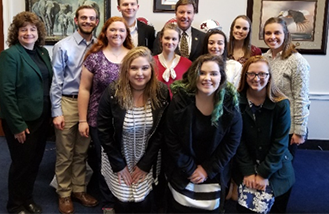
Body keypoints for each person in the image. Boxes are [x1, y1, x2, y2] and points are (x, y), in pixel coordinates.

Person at [164, 54, 242, 214]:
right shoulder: (180, 100)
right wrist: (190, 168)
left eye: (213, 73)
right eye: (202, 72)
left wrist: (207, 169)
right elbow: (171, 138)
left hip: (214, 172)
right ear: (194, 75)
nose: (207, 78)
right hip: (182, 170)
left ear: (221, 77)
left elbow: (231, 144)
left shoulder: (229, 104)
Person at [97, 47, 170, 214]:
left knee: (142, 202)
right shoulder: (113, 92)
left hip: (147, 156)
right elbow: (104, 131)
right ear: (126, 70)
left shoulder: (161, 92)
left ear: (151, 69)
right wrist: (119, 165)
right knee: (123, 202)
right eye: (134, 68)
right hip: (118, 155)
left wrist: (145, 165)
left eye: (145, 68)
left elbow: (161, 133)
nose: (140, 73)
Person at [0, 11, 53, 214]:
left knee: (34, 162)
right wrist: (17, 125)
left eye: (32, 29)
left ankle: (27, 199)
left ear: (38, 32)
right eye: (23, 29)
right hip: (21, 120)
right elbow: (5, 93)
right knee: (21, 164)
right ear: (16, 33)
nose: (28, 33)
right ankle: (15, 205)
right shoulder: (10, 55)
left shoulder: (43, 53)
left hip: (41, 118)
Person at [78, 16, 134, 213]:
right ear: (105, 33)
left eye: (121, 30)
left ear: (127, 34)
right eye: (113, 30)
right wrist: (83, 120)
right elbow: (84, 89)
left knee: (127, 159)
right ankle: (108, 202)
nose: (117, 34)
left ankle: (126, 197)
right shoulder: (94, 57)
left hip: (130, 119)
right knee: (106, 161)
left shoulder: (133, 57)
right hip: (98, 119)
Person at [50, 5, 99, 214]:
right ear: (76, 20)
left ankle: (79, 189)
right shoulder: (63, 46)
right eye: (84, 18)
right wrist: (56, 112)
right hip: (68, 102)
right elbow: (56, 81)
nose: (88, 21)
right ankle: (64, 193)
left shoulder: (100, 46)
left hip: (89, 104)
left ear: (97, 22)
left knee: (81, 152)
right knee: (65, 152)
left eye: (92, 18)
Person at [234, 56, 295, 214]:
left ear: (269, 77)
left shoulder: (281, 104)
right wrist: (248, 171)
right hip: (245, 165)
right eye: (251, 74)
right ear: (245, 76)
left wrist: (263, 173)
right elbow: (236, 140)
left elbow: (280, 142)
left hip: (276, 168)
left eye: (262, 74)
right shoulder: (235, 102)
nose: (256, 78)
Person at [263, 17, 310, 158]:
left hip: (287, 127)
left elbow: (301, 97)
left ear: (286, 35)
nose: (272, 37)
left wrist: (300, 130)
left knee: (283, 169)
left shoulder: (297, 61)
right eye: (268, 33)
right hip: (268, 123)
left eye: (277, 33)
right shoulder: (264, 58)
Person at [153, 23, 191, 97]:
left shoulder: (187, 64)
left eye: (174, 39)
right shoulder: (151, 62)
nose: (170, 42)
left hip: (180, 107)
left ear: (178, 41)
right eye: (167, 38)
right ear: (161, 39)